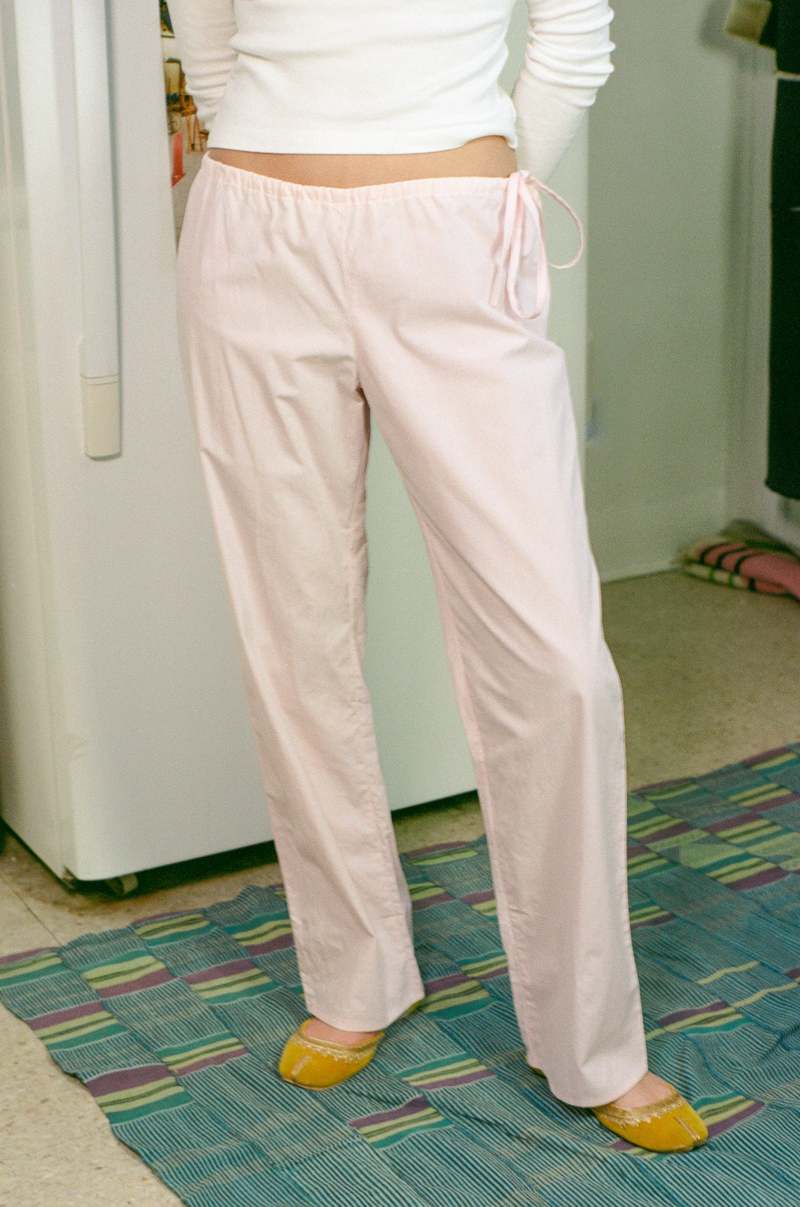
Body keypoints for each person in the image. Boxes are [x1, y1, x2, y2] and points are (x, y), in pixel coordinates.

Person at [169, 0, 708, 1152]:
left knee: (553, 661)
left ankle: (591, 1036)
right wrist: (273, 166)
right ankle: (352, 971)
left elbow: (573, 36)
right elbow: (209, 41)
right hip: (251, 234)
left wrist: (476, 190)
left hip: (455, 230)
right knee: (292, 631)